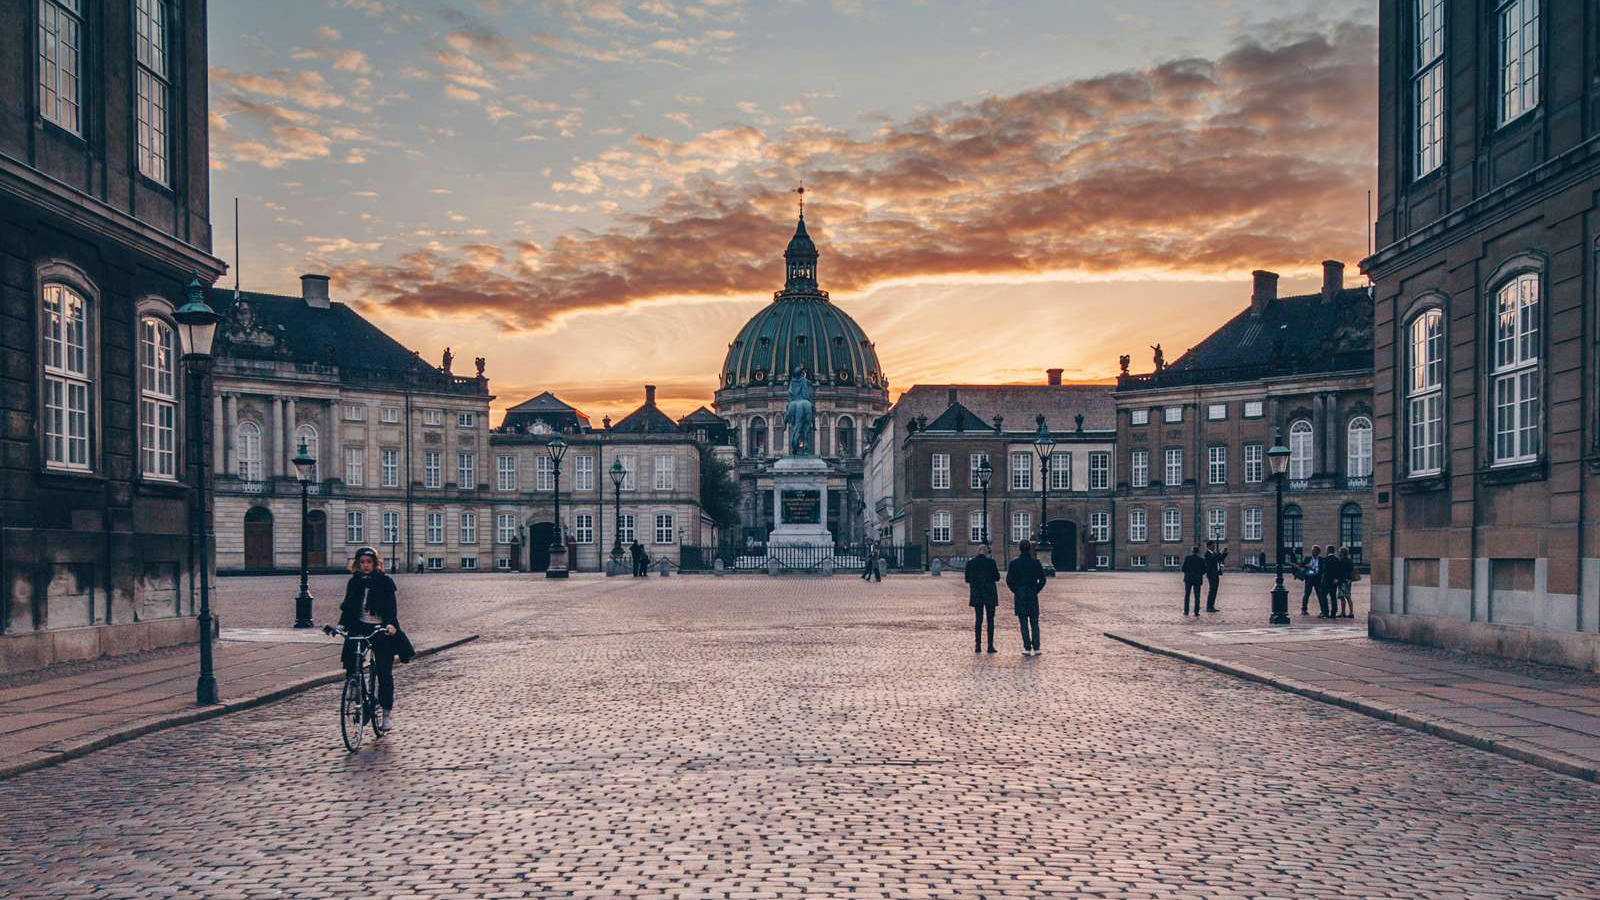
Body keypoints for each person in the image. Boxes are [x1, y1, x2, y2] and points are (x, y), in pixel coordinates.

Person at [338, 548, 414, 732]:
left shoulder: (385, 582)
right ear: (357, 564)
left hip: (381, 627)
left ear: (375, 563)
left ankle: (386, 713)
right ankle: (354, 684)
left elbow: (390, 607)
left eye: (369, 562)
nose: (365, 565)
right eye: (362, 562)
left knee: (384, 672)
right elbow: (348, 606)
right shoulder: (354, 581)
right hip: (360, 625)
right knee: (350, 652)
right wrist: (342, 625)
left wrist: (390, 624)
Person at [1005, 540, 1048, 656]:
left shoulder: (1014, 563)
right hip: (1032, 594)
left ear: (1020, 549)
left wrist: (1016, 591)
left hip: (1020, 595)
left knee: (1023, 622)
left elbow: (1009, 580)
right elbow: (1043, 580)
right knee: (1034, 622)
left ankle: (1027, 647)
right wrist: (1035, 590)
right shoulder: (1036, 563)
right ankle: (1037, 647)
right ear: (1030, 549)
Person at [964, 544, 1000, 654]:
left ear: (978, 551)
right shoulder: (991, 562)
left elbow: (967, 579)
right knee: (990, 620)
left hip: (977, 594)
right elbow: (997, 577)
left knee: (978, 620)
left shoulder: (970, 563)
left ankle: (977, 645)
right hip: (990, 594)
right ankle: (990, 646)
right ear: (986, 552)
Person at [1296, 546, 1323, 617]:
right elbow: (1301, 566)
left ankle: (1322, 610)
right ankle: (1304, 609)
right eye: (1312, 550)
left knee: (1320, 595)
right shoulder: (1307, 559)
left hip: (1317, 579)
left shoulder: (1321, 560)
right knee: (1307, 594)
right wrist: (1306, 566)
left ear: (1318, 552)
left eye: (1314, 551)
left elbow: (1323, 569)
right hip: (1309, 579)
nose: (1313, 552)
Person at [1181, 546, 1206, 617]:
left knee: (1187, 595)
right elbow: (1204, 570)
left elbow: (1183, 568)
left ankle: (1186, 611)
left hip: (1188, 578)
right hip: (1197, 579)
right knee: (1197, 596)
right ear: (1198, 552)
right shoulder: (1201, 560)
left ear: (1192, 551)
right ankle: (1196, 612)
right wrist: (1199, 574)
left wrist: (1188, 573)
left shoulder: (1188, 558)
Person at [1203, 541, 1228, 612]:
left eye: (1214, 546)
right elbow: (1213, 559)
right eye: (1212, 546)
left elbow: (1219, 559)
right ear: (1208, 546)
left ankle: (1211, 606)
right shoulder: (1207, 554)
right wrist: (1220, 553)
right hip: (1211, 574)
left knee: (1214, 591)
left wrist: (1224, 553)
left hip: (1216, 574)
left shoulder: (1213, 553)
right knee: (1212, 590)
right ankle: (1209, 607)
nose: (1214, 547)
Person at [1337, 547, 1358, 617]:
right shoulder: (1350, 560)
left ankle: (1343, 613)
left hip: (1343, 581)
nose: (1339, 553)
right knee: (1348, 597)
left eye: (1339, 552)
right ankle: (1351, 612)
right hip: (1348, 580)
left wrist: (1338, 580)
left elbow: (1340, 572)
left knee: (1343, 597)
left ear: (1342, 553)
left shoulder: (1341, 561)